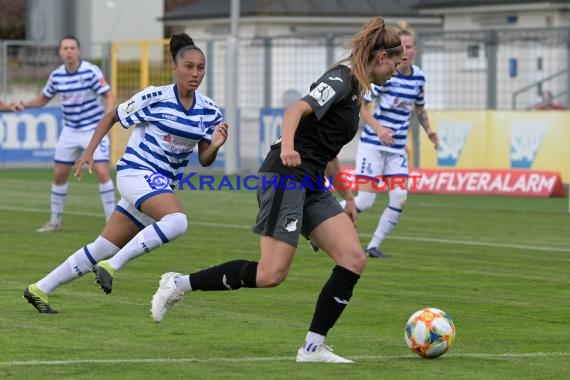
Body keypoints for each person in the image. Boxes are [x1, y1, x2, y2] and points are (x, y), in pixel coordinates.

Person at [149, 17, 403, 364]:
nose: (398, 70)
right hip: (285, 175)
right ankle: (178, 284)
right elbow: (295, 110)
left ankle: (312, 348)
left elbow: (326, 151)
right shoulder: (341, 79)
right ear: (382, 58)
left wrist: (348, 198)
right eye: (397, 63)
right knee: (271, 275)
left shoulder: (358, 91)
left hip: (311, 180)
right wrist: (287, 148)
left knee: (354, 259)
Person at [23, 33, 229, 314]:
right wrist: (89, 153)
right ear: (175, 68)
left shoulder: (209, 111)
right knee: (177, 221)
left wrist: (215, 145)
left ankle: (39, 289)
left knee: (101, 247)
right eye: (189, 66)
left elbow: (205, 159)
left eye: (200, 67)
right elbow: (111, 116)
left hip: (157, 184)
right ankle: (112, 266)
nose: (195, 73)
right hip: (136, 172)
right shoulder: (155, 96)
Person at [314, 21, 439, 258]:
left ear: (415, 50)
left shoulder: (419, 78)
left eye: (410, 46)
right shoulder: (385, 76)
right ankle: (320, 226)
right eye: (402, 46)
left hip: (397, 149)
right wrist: (379, 128)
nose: (407, 51)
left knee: (400, 198)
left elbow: (420, 109)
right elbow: (363, 108)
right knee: (366, 200)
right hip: (373, 145)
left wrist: (429, 130)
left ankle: (373, 245)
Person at [20, 36, 116, 232]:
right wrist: (25, 104)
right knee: (59, 175)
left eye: (72, 48)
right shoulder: (56, 76)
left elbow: (108, 94)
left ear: (78, 51)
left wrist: (109, 117)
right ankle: (55, 222)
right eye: (65, 48)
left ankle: (112, 223)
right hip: (70, 131)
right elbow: (44, 98)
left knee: (101, 171)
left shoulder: (90, 71)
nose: (69, 51)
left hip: (92, 129)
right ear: (60, 52)